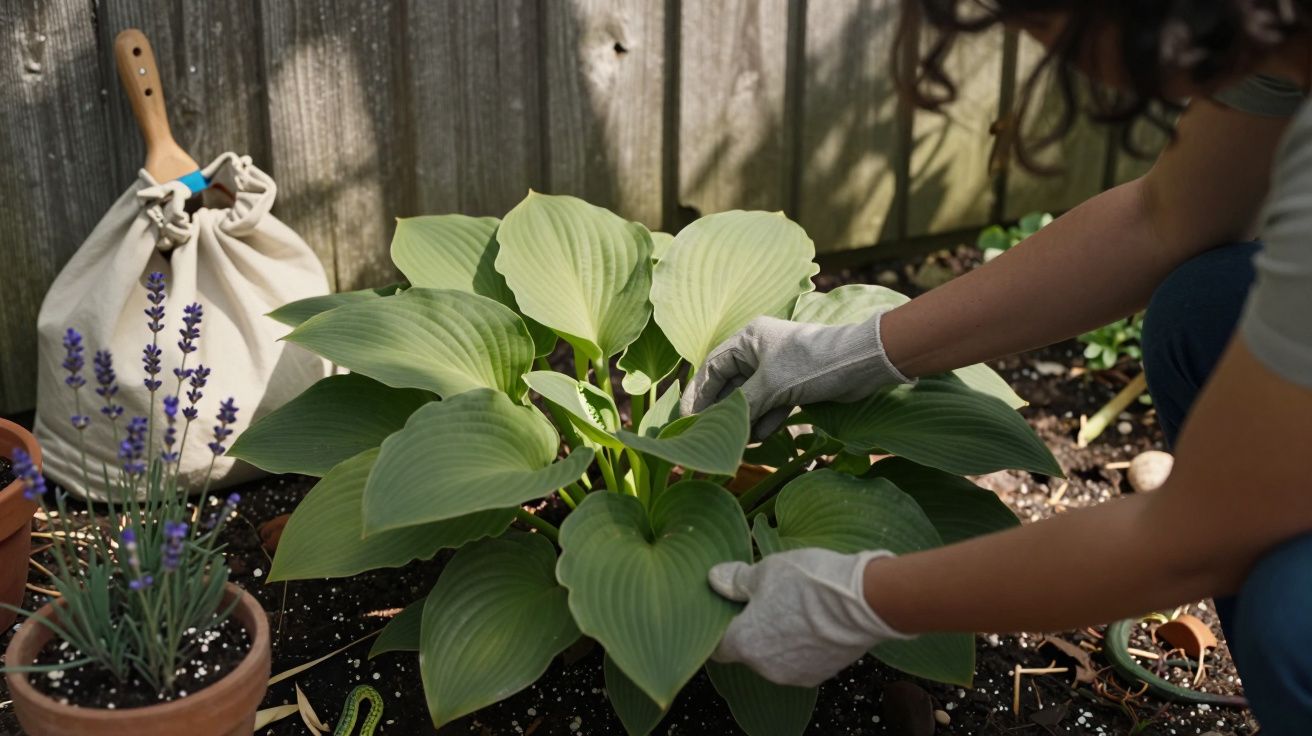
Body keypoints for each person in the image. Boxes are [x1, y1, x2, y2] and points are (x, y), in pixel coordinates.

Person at [681, 1, 1312, 732]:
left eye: (1042, 19)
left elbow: (1196, 537)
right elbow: (1167, 220)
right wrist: (850, 350)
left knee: (1290, 618)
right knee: (1203, 314)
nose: (1041, 45)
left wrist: (864, 600)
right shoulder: (1274, 31)